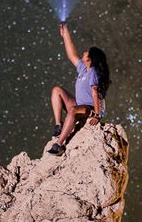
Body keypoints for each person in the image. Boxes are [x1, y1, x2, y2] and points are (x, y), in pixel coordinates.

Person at [47, 23, 110, 156]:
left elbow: (94, 93)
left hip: (90, 107)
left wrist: (98, 115)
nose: (84, 52)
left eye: (87, 52)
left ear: (91, 58)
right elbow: (71, 54)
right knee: (57, 90)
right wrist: (65, 34)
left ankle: (59, 145)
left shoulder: (93, 72)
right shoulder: (83, 69)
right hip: (79, 104)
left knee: (73, 110)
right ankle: (58, 125)